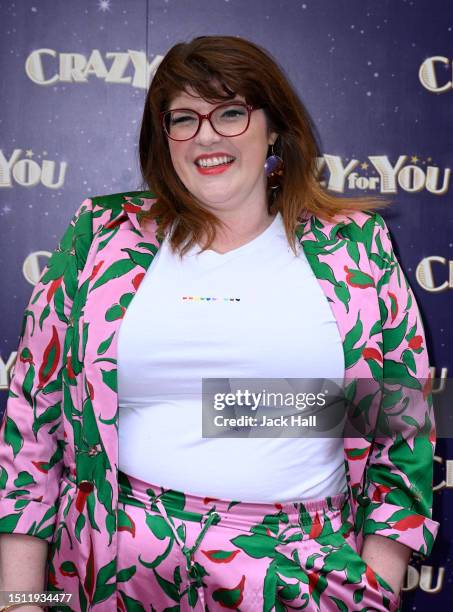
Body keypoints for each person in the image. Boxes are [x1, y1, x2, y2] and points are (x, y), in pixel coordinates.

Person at [0, 35, 439, 612]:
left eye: (231, 112)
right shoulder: (100, 234)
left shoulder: (354, 247)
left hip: (304, 576)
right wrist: (20, 600)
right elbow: (32, 422)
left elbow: (400, 427)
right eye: (184, 118)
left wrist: (375, 591)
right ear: (165, 138)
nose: (207, 135)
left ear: (274, 127)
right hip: (111, 574)